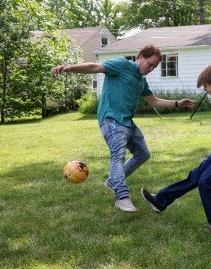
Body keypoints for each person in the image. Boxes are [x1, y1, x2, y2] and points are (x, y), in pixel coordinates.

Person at [51, 45, 195, 212]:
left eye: (154, 67)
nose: (150, 69)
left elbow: (153, 101)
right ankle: (121, 196)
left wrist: (178, 103)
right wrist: (68, 68)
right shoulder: (122, 65)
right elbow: (95, 67)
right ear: (140, 57)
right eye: (149, 64)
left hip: (127, 122)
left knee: (143, 154)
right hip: (111, 119)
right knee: (117, 155)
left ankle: (113, 181)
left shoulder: (141, 80)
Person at [140, 64, 211, 232]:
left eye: (206, 86)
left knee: (205, 182)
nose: (205, 90)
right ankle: (160, 201)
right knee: (196, 176)